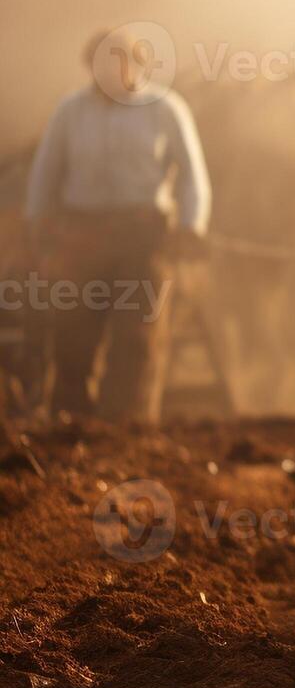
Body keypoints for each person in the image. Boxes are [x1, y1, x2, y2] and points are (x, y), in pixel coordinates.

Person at [25, 27, 210, 422]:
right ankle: (71, 418)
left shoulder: (165, 108)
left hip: (142, 237)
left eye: (119, 60)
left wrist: (192, 224)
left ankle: (125, 425)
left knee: (137, 336)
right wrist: (38, 221)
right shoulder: (70, 111)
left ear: (136, 64)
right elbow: (46, 171)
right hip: (82, 235)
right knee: (74, 329)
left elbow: (193, 173)